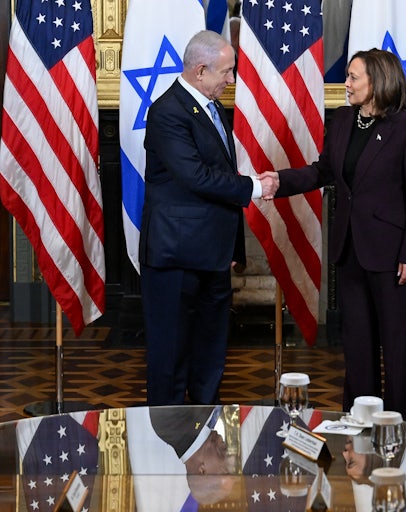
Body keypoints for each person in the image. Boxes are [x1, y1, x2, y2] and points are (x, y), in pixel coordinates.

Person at [269, 49, 406, 422]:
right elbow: (323, 171)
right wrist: (279, 181)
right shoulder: (342, 120)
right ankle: (360, 419)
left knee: (395, 343)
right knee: (357, 343)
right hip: (350, 247)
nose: (347, 83)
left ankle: (399, 423)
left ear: (378, 82)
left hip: (391, 253)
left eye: (354, 77)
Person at [139, 30, 278, 406]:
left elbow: (216, 180)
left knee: (210, 353)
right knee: (170, 359)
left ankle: (205, 432)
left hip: (212, 256)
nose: (231, 80)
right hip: (175, 258)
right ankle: (166, 443)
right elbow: (196, 177)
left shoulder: (210, 107)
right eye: (226, 72)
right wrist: (253, 187)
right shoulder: (168, 112)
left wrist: (232, 248)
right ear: (201, 71)